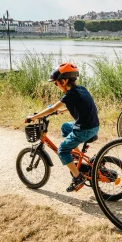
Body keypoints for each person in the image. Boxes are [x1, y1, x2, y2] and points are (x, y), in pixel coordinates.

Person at [26, 62, 100, 193]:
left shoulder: (69, 94)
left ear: (64, 81)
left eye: (56, 83)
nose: (56, 85)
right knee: (65, 127)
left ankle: (78, 177)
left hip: (84, 130)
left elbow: (53, 108)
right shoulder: (81, 89)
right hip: (93, 126)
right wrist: (64, 111)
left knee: (62, 150)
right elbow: (81, 105)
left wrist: (34, 117)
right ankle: (77, 157)